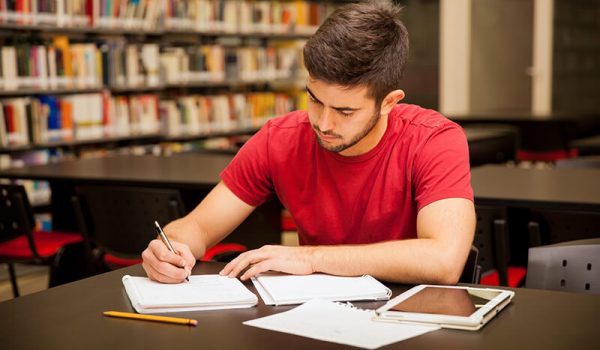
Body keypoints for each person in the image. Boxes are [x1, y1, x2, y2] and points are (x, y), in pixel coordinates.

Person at [142, 0, 475, 285]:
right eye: (315, 100)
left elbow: (444, 261)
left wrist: (311, 258)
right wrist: (170, 247)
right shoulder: (280, 138)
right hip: (312, 316)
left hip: (408, 318)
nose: (324, 123)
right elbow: (199, 226)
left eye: (345, 111)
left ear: (389, 102)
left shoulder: (433, 139)